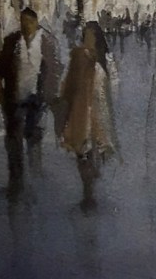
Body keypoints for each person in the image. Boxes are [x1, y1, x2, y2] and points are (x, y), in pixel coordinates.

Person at [0, 7, 59, 195]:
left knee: (34, 136)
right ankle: (16, 181)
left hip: (37, 99)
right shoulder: (12, 41)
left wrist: (50, 95)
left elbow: (54, 70)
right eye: (22, 22)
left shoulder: (47, 42)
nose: (25, 26)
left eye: (29, 22)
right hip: (14, 99)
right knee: (14, 140)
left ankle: (35, 176)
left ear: (36, 23)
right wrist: (0, 95)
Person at [57, 20, 117, 212]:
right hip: (80, 111)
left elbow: (111, 87)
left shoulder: (104, 60)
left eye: (92, 37)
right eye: (86, 36)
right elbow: (68, 85)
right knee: (82, 152)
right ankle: (88, 189)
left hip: (98, 112)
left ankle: (89, 188)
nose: (88, 40)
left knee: (93, 150)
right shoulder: (78, 57)